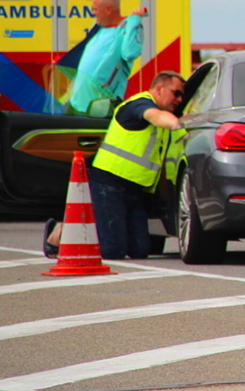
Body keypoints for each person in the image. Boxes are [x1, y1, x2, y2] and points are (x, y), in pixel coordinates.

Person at [45, 72, 185, 260]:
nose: (179, 99)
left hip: (136, 190)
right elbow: (155, 116)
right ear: (159, 89)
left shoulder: (163, 123)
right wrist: (179, 126)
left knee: (140, 251)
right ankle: (62, 230)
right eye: (176, 93)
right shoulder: (139, 105)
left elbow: (159, 164)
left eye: (181, 95)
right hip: (109, 184)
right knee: (113, 251)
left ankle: (93, 227)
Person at [67, 0, 148, 117]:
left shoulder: (125, 30)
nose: (93, 13)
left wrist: (135, 21)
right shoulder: (98, 29)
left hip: (100, 108)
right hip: (78, 104)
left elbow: (130, 53)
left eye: (95, 9)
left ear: (109, 9)